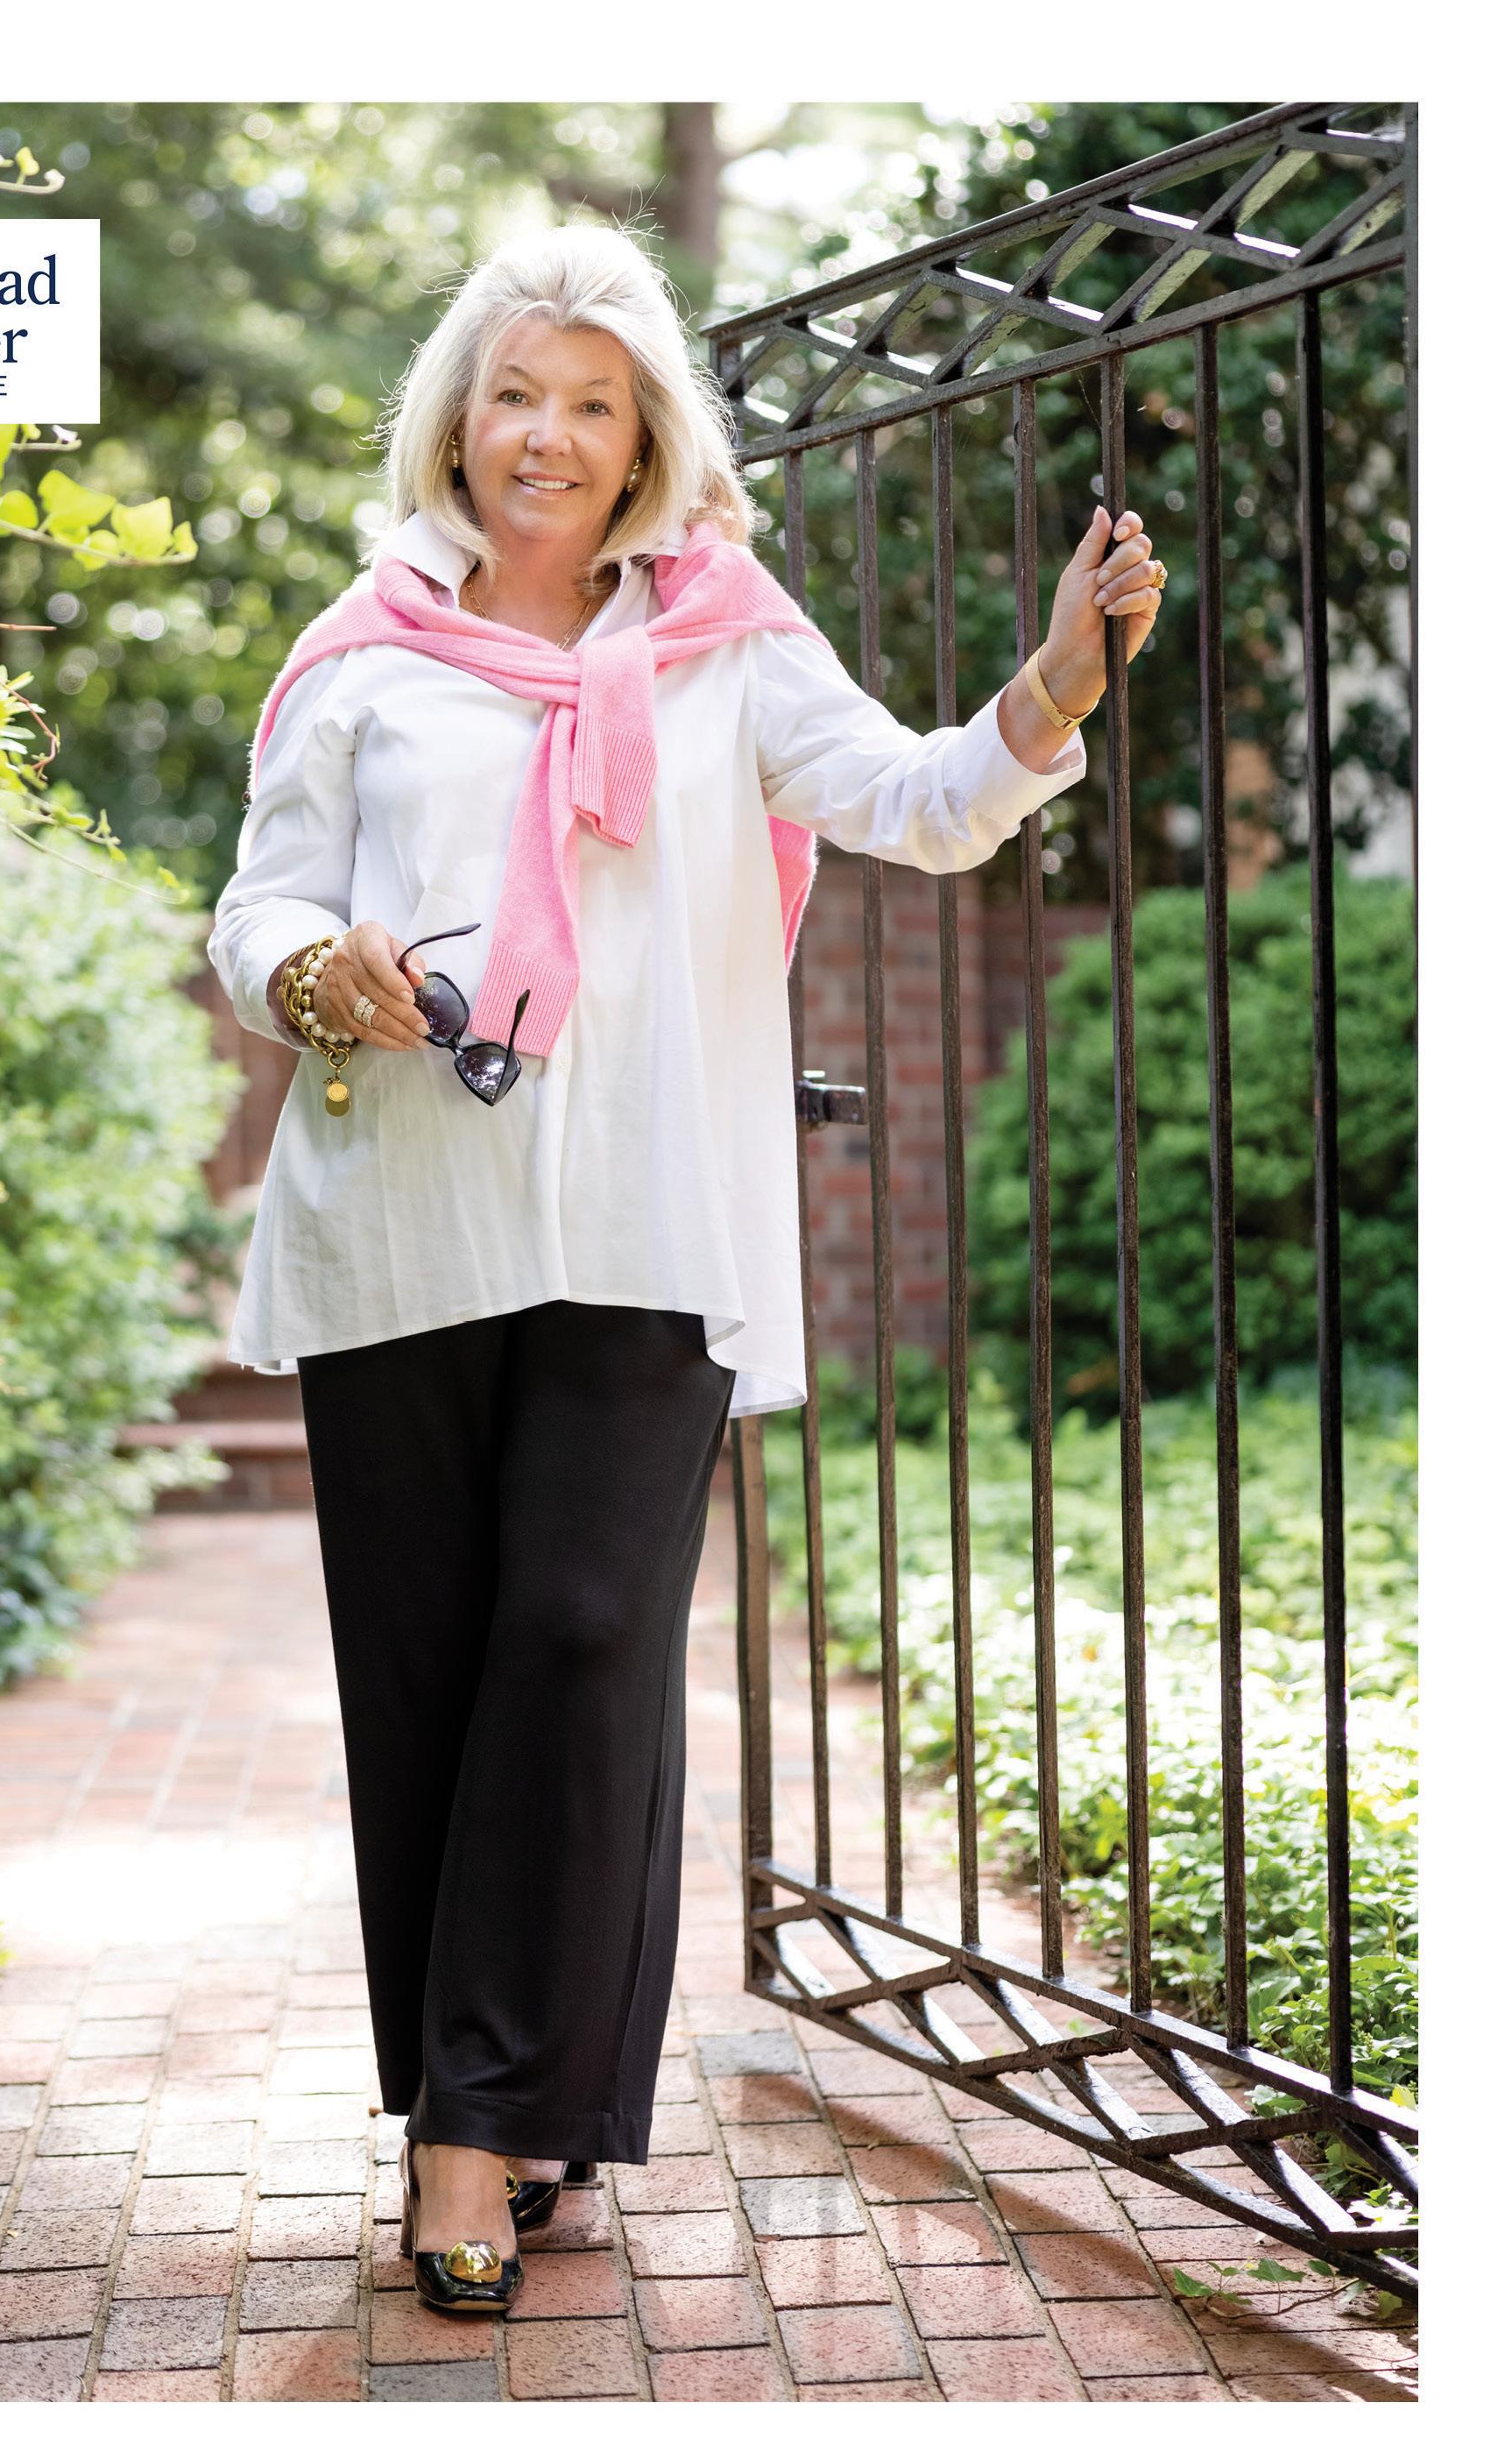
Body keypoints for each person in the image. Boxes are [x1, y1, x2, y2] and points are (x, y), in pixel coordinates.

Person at [206, 222, 1164, 2317]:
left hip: (649, 1230)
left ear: (644, 439)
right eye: (515, 395)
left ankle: (472, 2134)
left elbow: (920, 802)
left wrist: (1053, 686)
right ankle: (505, 2105)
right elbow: (258, 898)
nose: (546, 437)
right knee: (432, 1673)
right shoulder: (361, 652)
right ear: (459, 416)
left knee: (576, 1638)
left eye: (591, 404)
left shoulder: (728, 643)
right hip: (404, 1227)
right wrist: (310, 969)